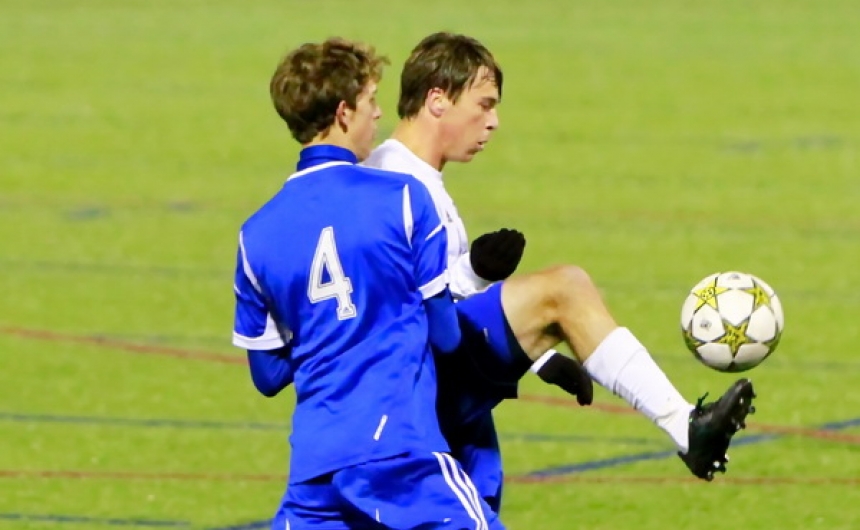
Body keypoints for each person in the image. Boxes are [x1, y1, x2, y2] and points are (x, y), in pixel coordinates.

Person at [364, 32, 757, 513]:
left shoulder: (412, 175)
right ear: (438, 100)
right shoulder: (392, 179)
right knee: (564, 288)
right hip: (409, 382)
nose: (494, 122)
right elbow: (396, 307)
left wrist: (538, 358)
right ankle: (685, 427)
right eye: (484, 105)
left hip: (430, 381)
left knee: (476, 492)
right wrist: (474, 274)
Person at [232, 37, 502, 529]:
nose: (378, 116)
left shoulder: (256, 234)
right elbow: (444, 334)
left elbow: (266, 376)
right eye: (371, 102)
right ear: (343, 113)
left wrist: (330, 330)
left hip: (314, 469)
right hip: (400, 450)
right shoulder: (403, 198)